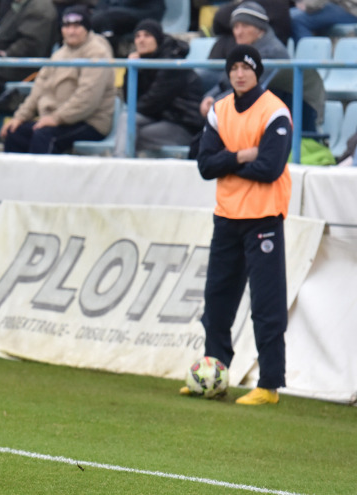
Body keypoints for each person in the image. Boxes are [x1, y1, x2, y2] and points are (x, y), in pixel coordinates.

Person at [184, 45, 292, 406]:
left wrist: (225, 163)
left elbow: (271, 168)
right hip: (227, 216)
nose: (239, 73)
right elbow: (204, 165)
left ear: (257, 72)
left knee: (266, 303)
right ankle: (215, 373)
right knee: (217, 300)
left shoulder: (274, 111)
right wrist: (242, 155)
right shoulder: (220, 110)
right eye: (234, 68)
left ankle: (270, 385)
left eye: (246, 67)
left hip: (263, 217)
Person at [0, 6, 115, 155]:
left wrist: (56, 118)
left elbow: (87, 98)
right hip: (56, 120)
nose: (71, 31)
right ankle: (17, 178)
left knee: (46, 136)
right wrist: (19, 118)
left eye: (76, 26)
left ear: (86, 28)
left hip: (90, 121)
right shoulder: (59, 54)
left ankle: (43, 178)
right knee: (15, 133)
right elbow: (38, 89)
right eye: (66, 26)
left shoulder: (97, 53)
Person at [199, 1, 324, 134]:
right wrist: (209, 97)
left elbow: (249, 90)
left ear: (260, 29)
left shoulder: (272, 53)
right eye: (236, 27)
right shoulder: (245, 49)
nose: (239, 32)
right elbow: (226, 81)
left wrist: (216, 104)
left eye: (245, 26)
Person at [113, 19, 206, 157]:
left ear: (157, 39)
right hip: (160, 119)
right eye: (137, 36)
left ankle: (119, 166)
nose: (141, 40)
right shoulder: (143, 62)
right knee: (128, 128)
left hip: (183, 126)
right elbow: (129, 100)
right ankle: (121, 164)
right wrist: (131, 70)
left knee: (128, 126)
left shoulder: (171, 62)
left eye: (147, 35)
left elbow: (154, 101)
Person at [0, 0, 58, 96]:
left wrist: (7, 54)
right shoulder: (20, 5)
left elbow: (31, 44)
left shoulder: (39, 7)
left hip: (22, 68)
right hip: (7, 63)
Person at [88, 0, 166, 57]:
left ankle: (109, 53)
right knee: (93, 18)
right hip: (120, 12)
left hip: (146, 11)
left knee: (105, 18)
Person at [290, 0, 357, 42]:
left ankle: (310, 59)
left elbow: (311, 5)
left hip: (351, 9)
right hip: (343, 6)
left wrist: (307, 5)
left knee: (299, 21)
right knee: (292, 14)